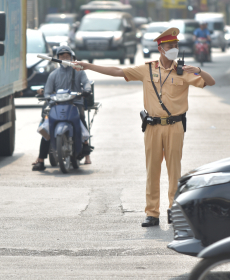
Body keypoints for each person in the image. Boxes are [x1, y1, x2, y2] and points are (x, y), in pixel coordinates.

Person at [73, 27, 216, 227]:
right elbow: (117, 71)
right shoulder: (147, 69)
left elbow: (211, 82)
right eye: (170, 46)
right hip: (152, 127)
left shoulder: (183, 71)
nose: (174, 49)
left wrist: (199, 70)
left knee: (174, 171)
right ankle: (152, 213)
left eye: (176, 46)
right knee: (153, 170)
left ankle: (174, 210)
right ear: (160, 48)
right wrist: (88, 66)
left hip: (175, 126)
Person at [32, 46, 93, 171]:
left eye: (67, 56)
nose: (64, 58)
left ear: (71, 57)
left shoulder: (79, 71)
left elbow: (86, 83)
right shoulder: (53, 74)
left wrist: (86, 89)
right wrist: (49, 97)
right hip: (57, 104)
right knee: (47, 126)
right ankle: (41, 160)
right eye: (62, 56)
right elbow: (47, 92)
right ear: (57, 58)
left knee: (81, 117)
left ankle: (85, 145)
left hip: (75, 103)